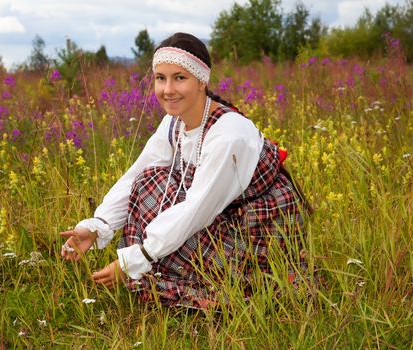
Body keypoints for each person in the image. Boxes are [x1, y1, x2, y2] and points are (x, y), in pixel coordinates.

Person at [60, 32, 311, 308]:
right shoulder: (174, 122)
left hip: (254, 229)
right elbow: (137, 174)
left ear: (202, 80)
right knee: (148, 182)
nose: (168, 89)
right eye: (160, 78)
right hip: (217, 212)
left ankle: (220, 290)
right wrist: (98, 226)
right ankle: (164, 274)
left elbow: (196, 210)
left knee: (166, 228)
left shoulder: (228, 134)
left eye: (180, 78)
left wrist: (138, 257)